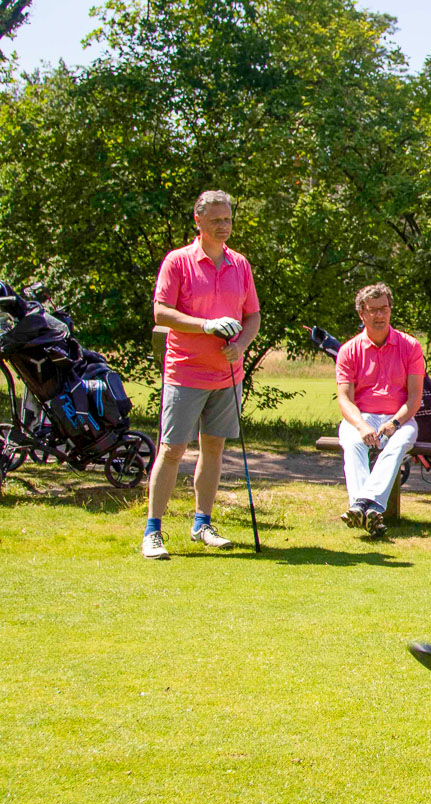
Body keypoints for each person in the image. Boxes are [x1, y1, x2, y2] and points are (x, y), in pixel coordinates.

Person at [141, 190, 261, 559]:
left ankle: (202, 524)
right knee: (172, 449)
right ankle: (152, 531)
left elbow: (253, 316)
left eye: (228, 220)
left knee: (213, 449)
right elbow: (162, 312)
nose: (224, 226)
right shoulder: (178, 261)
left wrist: (241, 345)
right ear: (198, 221)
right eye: (216, 220)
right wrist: (206, 325)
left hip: (227, 373)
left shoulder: (240, 264)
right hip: (185, 372)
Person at [334, 283, 424, 537]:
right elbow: (345, 399)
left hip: (400, 418)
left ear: (390, 310)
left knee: (397, 445)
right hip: (361, 416)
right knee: (352, 443)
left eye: (384, 308)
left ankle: (361, 506)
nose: (379, 315)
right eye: (372, 310)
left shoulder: (410, 346)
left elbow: (415, 398)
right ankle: (370, 510)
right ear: (361, 314)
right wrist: (362, 426)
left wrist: (394, 423)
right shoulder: (348, 350)